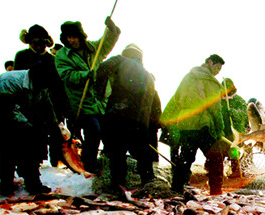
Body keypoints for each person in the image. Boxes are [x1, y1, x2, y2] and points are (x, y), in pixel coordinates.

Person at [55, 17, 121, 173]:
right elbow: (67, 76)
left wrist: (112, 30)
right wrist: (85, 75)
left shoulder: (93, 48)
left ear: (81, 36)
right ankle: (88, 165)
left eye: (75, 36)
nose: (73, 40)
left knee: (108, 133)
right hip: (81, 103)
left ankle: (111, 167)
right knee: (93, 131)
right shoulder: (62, 56)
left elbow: (106, 43)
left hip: (101, 101)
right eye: (69, 37)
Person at [0, 63, 64, 194]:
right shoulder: (10, 81)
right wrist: (29, 128)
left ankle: (33, 183)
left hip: (22, 115)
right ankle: (6, 183)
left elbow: (48, 108)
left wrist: (54, 128)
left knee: (31, 147)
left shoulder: (42, 84)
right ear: (36, 78)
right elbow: (9, 109)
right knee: (7, 148)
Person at [95, 44, 161, 190]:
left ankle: (118, 185)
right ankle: (148, 182)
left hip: (118, 115)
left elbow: (102, 68)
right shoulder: (149, 75)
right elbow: (155, 107)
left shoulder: (120, 60)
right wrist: (152, 126)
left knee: (117, 152)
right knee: (142, 153)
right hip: (140, 122)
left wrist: (99, 92)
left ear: (126, 53)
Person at [161, 54, 229, 196]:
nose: (217, 72)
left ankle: (176, 189)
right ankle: (216, 192)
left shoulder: (187, 77)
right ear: (210, 62)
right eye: (217, 67)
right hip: (203, 124)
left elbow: (177, 99)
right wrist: (219, 130)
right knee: (216, 157)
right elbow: (215, 107)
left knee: (185, 157)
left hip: (186, 124)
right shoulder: (210, 80)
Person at [15, 24, 69, 166]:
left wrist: (63, 104)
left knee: (56, 130)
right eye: (36, 43)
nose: (40, 46)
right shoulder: (22, 56)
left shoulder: (52, 59)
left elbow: (59, 84)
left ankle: (57, 160)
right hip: (30, 101)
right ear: (30, 42)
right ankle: (35, 161)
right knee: (33, 132)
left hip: (52, 100)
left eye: (43, 43)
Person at [221, 78, 248, 178]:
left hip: (236, 131)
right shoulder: (219, 101)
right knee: (220, 152)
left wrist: (233, 112)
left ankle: (236, 172)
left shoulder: (239, 100)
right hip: (223, 131)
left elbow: (244, 115)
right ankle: (217, 172)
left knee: (234, 152)